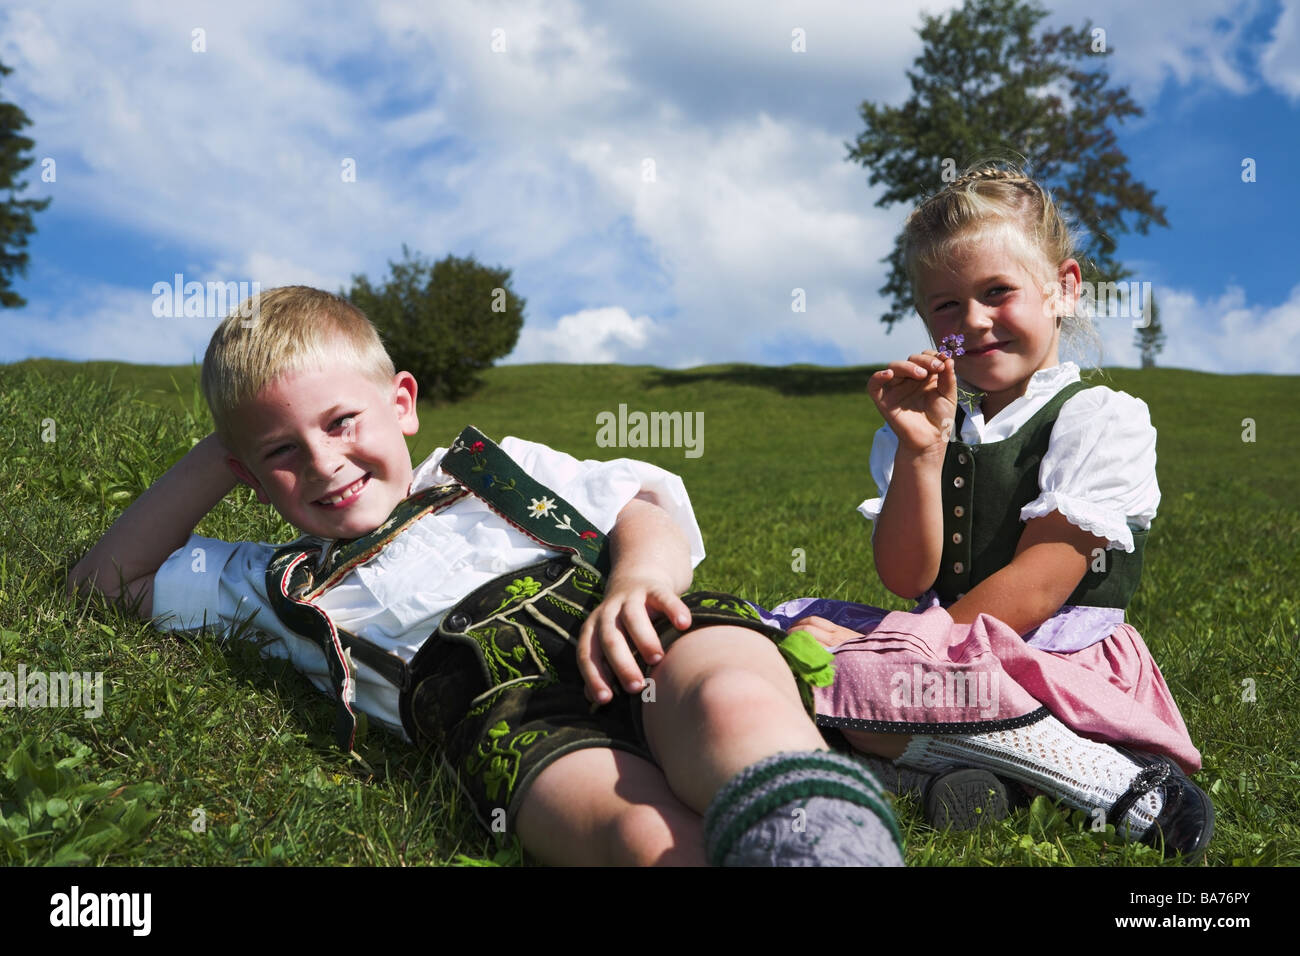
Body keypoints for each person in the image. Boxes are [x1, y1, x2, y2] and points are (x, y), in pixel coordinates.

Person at [66, 285, 901, 867]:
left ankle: (828, 839)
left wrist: (637, 581)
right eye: (281, 453)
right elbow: (106, 582)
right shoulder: (278, 586)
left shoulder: (490, 470)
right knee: (637, 837)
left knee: (732, 702)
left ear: (401, 402)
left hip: (636, 635)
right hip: (511, 725)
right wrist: (220, 454)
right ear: (246, 475)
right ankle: (856, 761)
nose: (323, 463)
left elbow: (640, 501)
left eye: (340, 421)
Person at [762, 165, 1213, 861]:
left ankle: (1114, 779)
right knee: (778, 637)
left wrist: (903, 650)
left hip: (1055, 662)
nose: (971, 321)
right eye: (944, 306)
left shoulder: (1099, 418)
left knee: (852, 669)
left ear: (1062, 289)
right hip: (953, 653)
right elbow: (907, 573)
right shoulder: (925, 426)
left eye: (996, 292)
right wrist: (921, 452)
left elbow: (1039, 584)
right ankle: (970, 778)